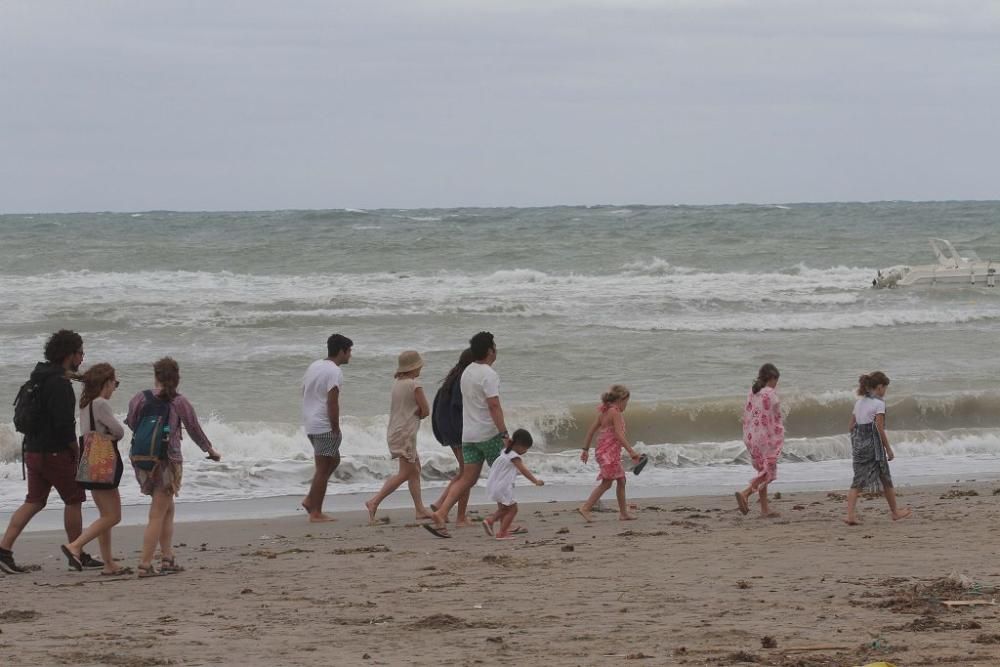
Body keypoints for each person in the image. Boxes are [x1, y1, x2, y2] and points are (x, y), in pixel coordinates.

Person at [0, 330, 102, 574]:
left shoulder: (39, 376)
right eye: (80, 352)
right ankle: (77, 551)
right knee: (74, 499)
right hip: (54, 453)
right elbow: (64, 425)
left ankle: (4, 550)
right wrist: (76, 452)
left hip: (33, 451)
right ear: (69, 354)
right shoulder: (60, 384)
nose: (82, 357)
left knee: (34, 501)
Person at [126, 357, 221, 577]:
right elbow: (194, 429)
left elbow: (132, 422)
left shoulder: (140, 398)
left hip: (141, 459)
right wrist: (210, 451)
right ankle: (145, 563)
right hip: (168, 460)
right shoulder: (179, 402)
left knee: (166, 508)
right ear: (177, 378)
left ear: (156, 376)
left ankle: (167, 558)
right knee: (158, 513)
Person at [425, 331, 510, 538]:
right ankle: (504, 522)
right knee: (501, 474)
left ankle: (442, 512)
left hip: (468, 436)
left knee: (466, 478)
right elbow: (493, 405)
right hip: (488, 435)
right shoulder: (489, 374)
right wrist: (504, 433)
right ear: (490, 351)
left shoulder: (467, 371)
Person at [61, 363, 132, 575]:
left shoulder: (85, 405)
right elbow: (119, 431)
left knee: (105, 516)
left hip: (89, 462)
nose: (114, 388)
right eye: (114, 383)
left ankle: (109, 564)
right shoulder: (101, 404)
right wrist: (111, 436)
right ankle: (75, 546)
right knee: (113, 516)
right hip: (103, 461)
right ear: (106, 382)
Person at [365, 351, 433, 524]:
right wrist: (419, 412)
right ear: (414, 367)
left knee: (415, 469)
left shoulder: (397, 383)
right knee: (406, 472)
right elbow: (425, 410)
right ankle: (374, 501)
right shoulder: (415, 384)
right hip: (406, 434)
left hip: (396, 431)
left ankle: (420, 510)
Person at [844, 371, 912, 525]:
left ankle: (850, 515)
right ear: (880, 387)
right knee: (886, 478)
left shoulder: (859, 402)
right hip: (874, 447)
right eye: (885, 389)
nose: (885, 392)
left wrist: (859, 441)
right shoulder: (879, 404)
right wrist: (888, 449)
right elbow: (879, 428)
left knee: (858, 481)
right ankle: (895, 512)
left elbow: (851, 427)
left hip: (859, 446)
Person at [300, 333, 353, 522]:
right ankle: (315, 511)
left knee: (333, 460)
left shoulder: (315, 365)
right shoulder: (334, 371)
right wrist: (335, 426)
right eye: (349, 351)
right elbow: (332, 402)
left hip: (310, 422)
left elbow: (304, 391)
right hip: (323, 425)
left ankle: (310, 499)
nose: (350, 355)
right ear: (341, 351)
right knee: (323, 469)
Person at [578, 385, 641, 522]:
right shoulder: (615, 412)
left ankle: (623, 513)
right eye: (626, 402)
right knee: (607, 483)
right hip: (609, 454)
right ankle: (586, 508)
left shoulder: (604, 412)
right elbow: (619, 434)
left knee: (621, 480)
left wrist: (585, 449)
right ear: (620, 400)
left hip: (603, 452)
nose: (626, 406)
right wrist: (632, 452)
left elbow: (590, 431)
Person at [429, 348, 474, 527]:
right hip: (459, 432)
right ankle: (459, 516)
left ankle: (442, 504)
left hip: (449, 431)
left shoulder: (451, 379)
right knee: (467, 475)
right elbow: (459, 407)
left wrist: (441, 434)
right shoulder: (463, 380)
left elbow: (437, 410)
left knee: (464, 472)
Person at [735, 364, 784, 518]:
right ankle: (745, 493)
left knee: (761, 470)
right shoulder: (770, 393)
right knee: (768, 471)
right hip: (765, 438)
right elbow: (776, 413)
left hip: (751, 437)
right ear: (771, 378)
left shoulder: (752, 391)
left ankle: (764, 509)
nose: (776, 384)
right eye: (776, 380)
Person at [483, 429, 543, 540]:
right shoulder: (514, 456)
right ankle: (502, 532)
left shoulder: (505, 451)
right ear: (519, 445)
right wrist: (535, 481)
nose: (525, 452)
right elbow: (523, 470)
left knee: (503, 509)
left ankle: (490, 521)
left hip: (494, 484)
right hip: (503, 487)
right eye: (525, 449)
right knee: (512, 509)